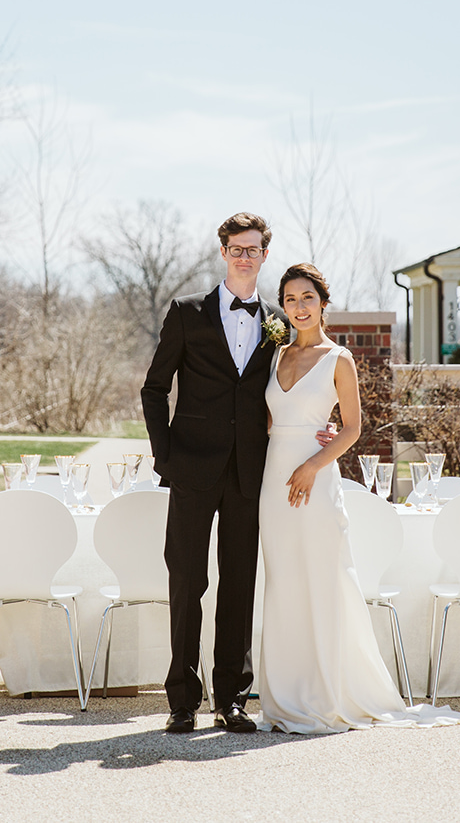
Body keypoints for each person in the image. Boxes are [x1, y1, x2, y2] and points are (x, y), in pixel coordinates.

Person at [255, 263, 460, 733]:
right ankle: (286, 695)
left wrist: (312, 465)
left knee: (325, 579)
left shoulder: (339, 359)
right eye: (290, 300)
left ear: (323, 302)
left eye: (307, 297)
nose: (298, 307)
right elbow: (267, 422)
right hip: (273, 482)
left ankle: (332, 692)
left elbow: (352, 429)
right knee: (283, 582)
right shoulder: (274, 356)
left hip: (315, 479)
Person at [140, 213, 333, 734]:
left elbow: (292, 387)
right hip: (192, 468)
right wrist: (166, 458)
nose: (245, 256)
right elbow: (154, 389)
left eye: (254, 249)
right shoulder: (185, 313)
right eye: (236, 248)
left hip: (252, 472)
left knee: (240, 584)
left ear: (265, 255)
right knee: (187, 580)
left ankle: (231, 698)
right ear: (223, 252)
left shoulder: (278, 321)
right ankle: (182, 699)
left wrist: (313, 428)